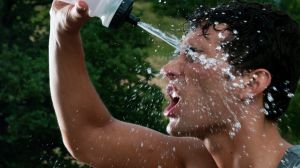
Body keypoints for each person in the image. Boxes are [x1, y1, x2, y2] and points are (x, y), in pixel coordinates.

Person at [49, 0, 300, 168]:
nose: (168, 69)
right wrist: (63, 32)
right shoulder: (193, 159)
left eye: (193, 55)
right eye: (177, 54)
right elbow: (90, 135)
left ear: (250, 82)